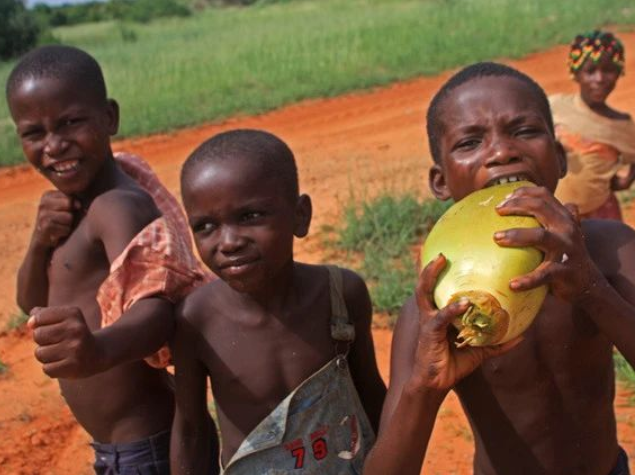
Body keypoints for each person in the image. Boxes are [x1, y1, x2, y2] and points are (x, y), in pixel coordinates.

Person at [365, 62, 635, 475]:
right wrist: (425, 387)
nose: (502, 152)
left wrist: (591, 289)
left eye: (524, 131)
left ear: (560, 158)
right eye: (470, 142)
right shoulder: (438, 307)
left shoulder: (608, 248)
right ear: (441, 182)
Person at [7, 45, 217, 475]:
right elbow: (31, 303)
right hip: (123, 449)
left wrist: (98, 349)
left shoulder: (116, 207)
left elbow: (157, 310)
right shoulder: (71, 207)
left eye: (71, 122)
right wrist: (39, 241)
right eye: (34, 133)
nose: (54, 145)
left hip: (148, 449)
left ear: (109, 117)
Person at [172, 129, 387, 474]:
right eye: (205, 226)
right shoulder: (195, 319)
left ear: (300, 215)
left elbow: (371, 394)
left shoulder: (341, 295)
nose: (229, 242)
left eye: (250, 216)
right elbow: (190, 430)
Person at [551, 30, 635, 220]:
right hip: (555, 212)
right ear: (576, 74)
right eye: (590, 71)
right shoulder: (555, 106)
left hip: (600, 214)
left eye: (608, 70)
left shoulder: (622, 126)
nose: (599, 78)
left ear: (618, 72)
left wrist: (626, 181)